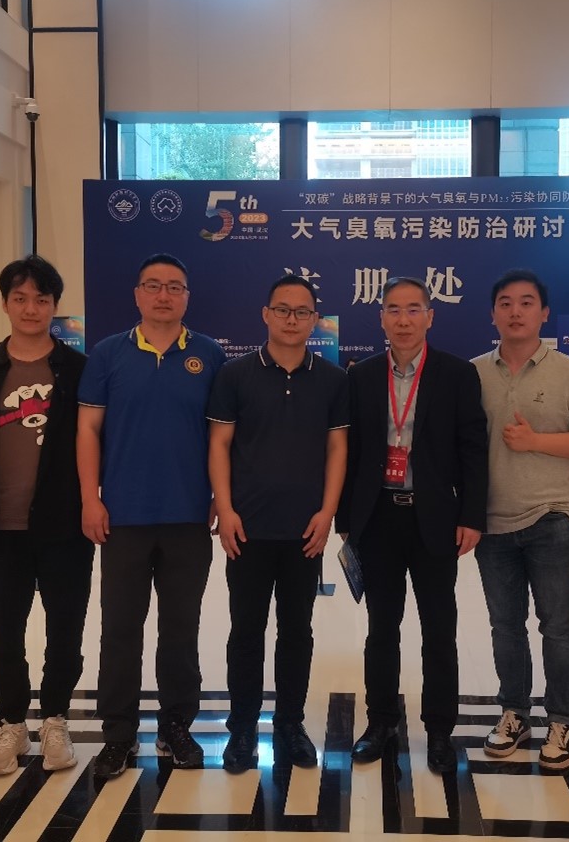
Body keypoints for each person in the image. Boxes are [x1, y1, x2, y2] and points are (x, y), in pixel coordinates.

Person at [78, 253, 226, 777]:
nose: (164, 295)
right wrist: (90, 498)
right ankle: (118, 734)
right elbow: (88, 429)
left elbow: (221, 436)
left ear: (187, 297)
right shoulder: (108, 353)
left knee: (181, 630)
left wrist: (220, 495)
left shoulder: (209, 355)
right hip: (123, 516)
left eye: (174, 287)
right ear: (138, 294)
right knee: (120, 628)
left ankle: (176, 726)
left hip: (188, 516)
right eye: (154, 285)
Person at [337, 276, 488, 775]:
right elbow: (350, 453)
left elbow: (473, 449)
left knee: (439, 628)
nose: (403, 320)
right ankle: (380, 722)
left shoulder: (457, 374)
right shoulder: (360, 376)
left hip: (435, 519)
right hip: (378, 518)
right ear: (381, 317)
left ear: (430, 316)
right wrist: (347, 519)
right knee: (381, 628)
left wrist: (471, 515)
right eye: (394, 310)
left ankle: (440, 729)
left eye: (413, 309)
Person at [207, 274, 350, 773]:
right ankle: (242, 728)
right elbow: (220, 444)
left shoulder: (333, 379)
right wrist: (226, 509)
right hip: (247, 528)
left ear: (316, 320)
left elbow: (337, 449)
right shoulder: (235, 374)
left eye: (302, 311)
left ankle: (290, 723)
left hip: (304, 531)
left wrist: (327, 512)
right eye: (283, 310)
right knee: (246, 631)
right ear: (266, 314)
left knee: (296, 631)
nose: (292, 319)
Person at [0, 255, 93, 776]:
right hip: (1, 528)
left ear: (55, 306)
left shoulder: (78, 370)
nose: (31, 308)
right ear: (5, 304)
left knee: (66, 630)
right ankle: (11, 722)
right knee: (2, 633)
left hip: (64, 527)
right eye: (20, 298)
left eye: (41, 299)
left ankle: (55, 719)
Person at [471, 270, 569, 770]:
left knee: (559, 625)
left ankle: (563, 719)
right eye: (505, 303)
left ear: (544, 313)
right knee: (505, 625)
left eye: (527, 302)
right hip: (492, 520)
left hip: (553, 516)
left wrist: (536, 442)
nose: (516, 311)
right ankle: (514, 712)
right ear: (493, 314)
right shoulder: (474, 373)